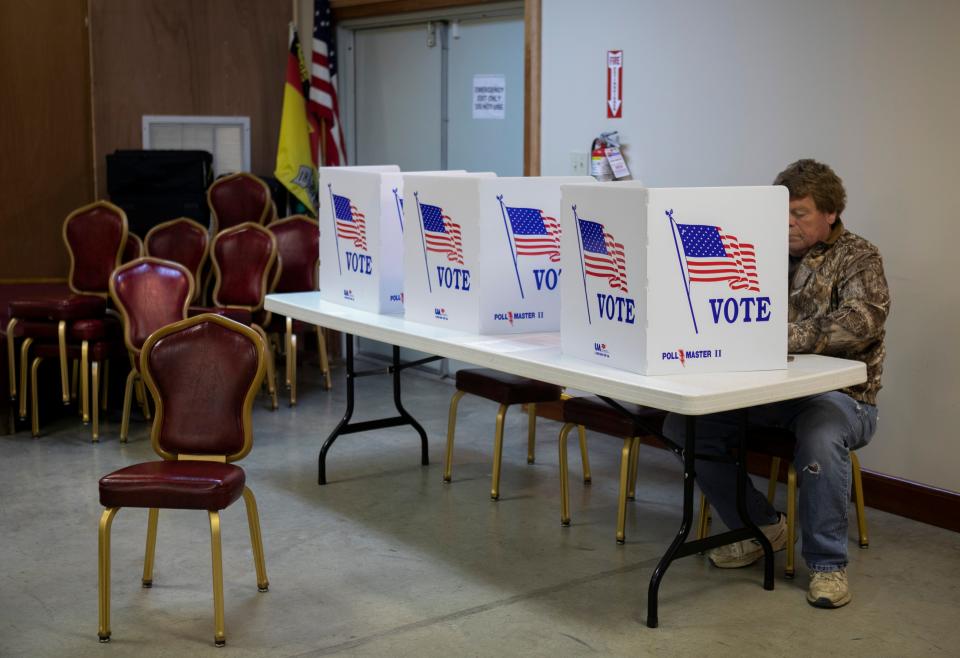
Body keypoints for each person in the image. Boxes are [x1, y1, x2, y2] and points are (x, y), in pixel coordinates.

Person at [663, 159, 890, 608]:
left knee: (821, 438)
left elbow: (861, 322)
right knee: (682, 425)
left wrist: (776, 334)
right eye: (782, 211)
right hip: (767, 389)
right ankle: (761, 528)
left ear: (830, 213)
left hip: (842, 398)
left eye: (799, 213)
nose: (788, 222)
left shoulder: (860, 256)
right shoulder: (759, 250)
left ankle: (827, 567)